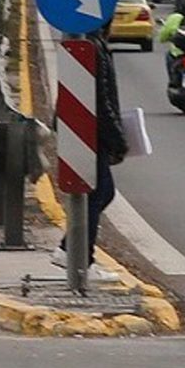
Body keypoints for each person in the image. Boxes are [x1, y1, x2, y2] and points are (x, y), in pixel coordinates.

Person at [51, 19, 128, 282]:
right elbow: (102, 101)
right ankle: (80, 259)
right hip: (89, 133)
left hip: (84, 131)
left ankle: (70, 250)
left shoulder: (90, 45)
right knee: (98, 194)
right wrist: (118, 139)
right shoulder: (92, 47)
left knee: (100, 193)